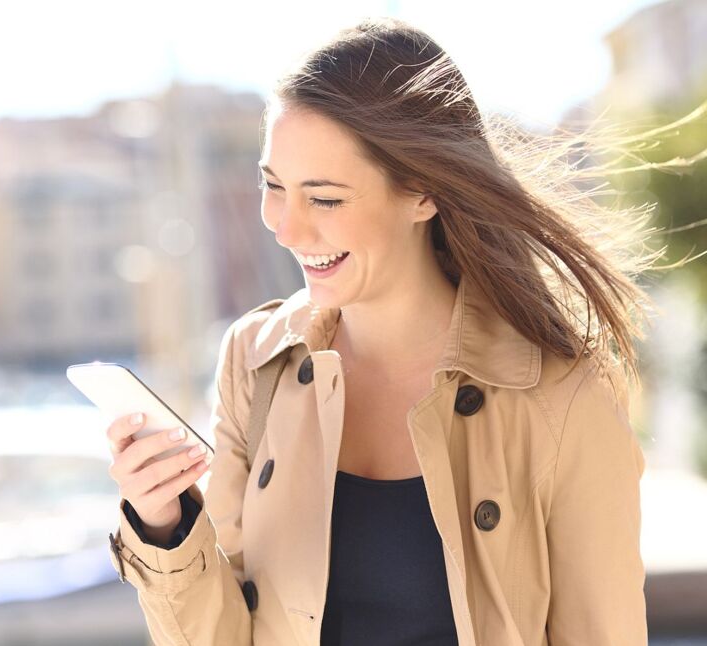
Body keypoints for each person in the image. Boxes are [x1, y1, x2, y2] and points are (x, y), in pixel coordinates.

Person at [102, 16, 683, 646]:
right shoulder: (256, 359)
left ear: (423, 193)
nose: (286, 228)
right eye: (273, 185)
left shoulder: (562, 393)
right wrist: (164, 525)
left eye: (325, 198)